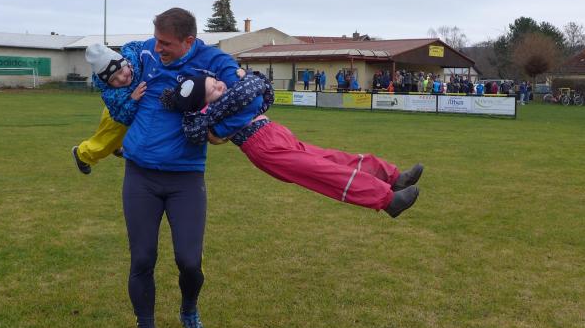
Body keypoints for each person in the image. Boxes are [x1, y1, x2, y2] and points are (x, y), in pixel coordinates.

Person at [119, 8, 247, 328]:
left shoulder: (212, 60)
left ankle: (189, 310)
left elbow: (243, 89)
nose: (158, 48)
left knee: (189, 261)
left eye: (166, 43)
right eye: (156, 40)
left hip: (186, 177)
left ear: (189, 41)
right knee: (142, 259)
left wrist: (220, 127)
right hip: (140, 175)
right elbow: (116, 65)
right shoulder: (147, 50)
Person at [160, 72, 423, 219]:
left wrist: (240, 86)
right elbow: (250, 89)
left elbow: (261, 88)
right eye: (214, 89)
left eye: (217, 81)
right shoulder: (207, 114)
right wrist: (239, 87)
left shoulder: (225, 101)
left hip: (274, 132)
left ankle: (393, 177)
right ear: (203, 103)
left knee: (335, 159)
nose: (221, 86)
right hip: (263, 147)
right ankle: (387, 200)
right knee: (326, 172)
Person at [71, 44, 146, 174]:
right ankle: (82, 154)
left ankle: (116, 147)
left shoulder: (131, 56)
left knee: (123, 134)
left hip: (121, 108)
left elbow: (137, 46)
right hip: (116, 114)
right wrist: (133, 99)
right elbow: (123, 117)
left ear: (126, 62)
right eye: (113, 79)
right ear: (108, 83)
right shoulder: (111, 94)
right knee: (104, 141)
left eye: (121, 71)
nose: (121, 78)